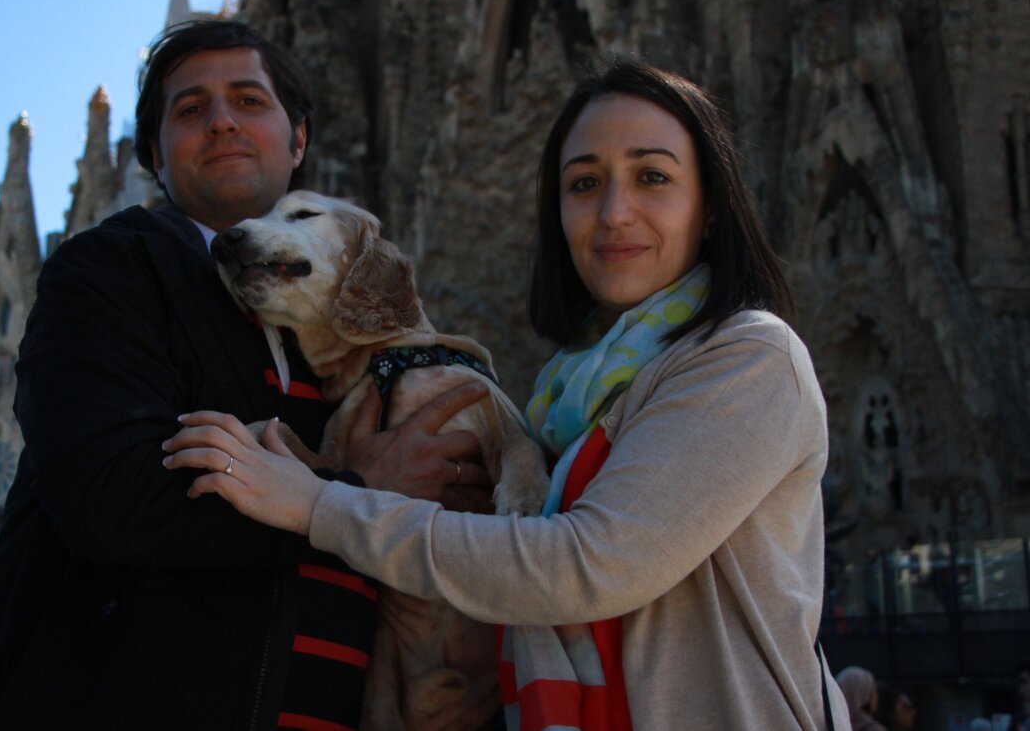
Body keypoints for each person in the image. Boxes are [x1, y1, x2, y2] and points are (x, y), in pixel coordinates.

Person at [167, 59, 852, 728]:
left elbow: (584, 563)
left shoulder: (748, 358)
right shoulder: (568, 396)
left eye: (652, 177)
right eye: (584, 183)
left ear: (709, 207)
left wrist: (318, 502)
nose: (615, 212)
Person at [0, 20, 487, 729]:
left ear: (299, 139)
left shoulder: (342, 312)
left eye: (249, 101)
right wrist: (359, 492)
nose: (222, 122)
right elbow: (111, 497)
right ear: (154, 154)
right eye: (191, 110)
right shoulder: (109, 273)